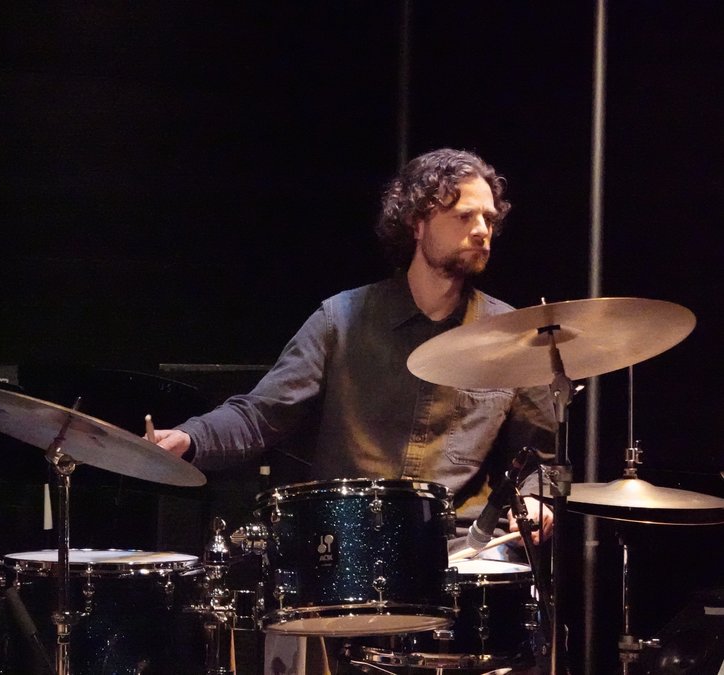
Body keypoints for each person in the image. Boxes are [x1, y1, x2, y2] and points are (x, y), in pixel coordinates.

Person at [153, 147, 557, 546]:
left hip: (458, 547)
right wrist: (191, 438)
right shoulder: (341, 320)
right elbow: (260, 415)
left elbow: (538, 461)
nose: (482, 230)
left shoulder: (512, 336)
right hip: (347, 543)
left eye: (489, 218)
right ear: (417, 223)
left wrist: (536, 500)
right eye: (464, 216)